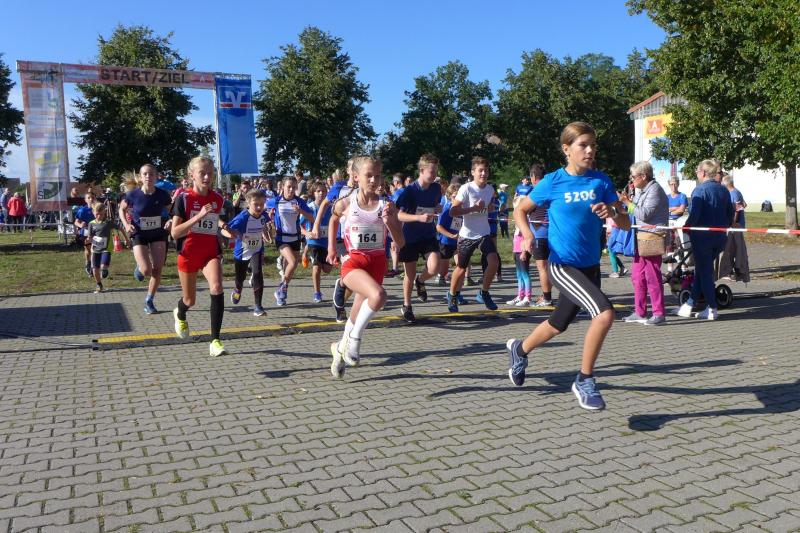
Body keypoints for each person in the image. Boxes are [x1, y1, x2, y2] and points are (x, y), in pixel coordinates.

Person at [507, 121, 630, 410]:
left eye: (593, 145)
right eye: (582, 145)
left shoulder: (601, 181)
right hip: (562, 265)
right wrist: (527, 235)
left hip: (590, 267)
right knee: (604, 314)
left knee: (557, 324)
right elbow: (520, 210)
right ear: (566, 149)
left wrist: (613, 212)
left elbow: (625, 223)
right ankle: (585, 379)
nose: (589, 151)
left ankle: (519, 350)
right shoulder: (553, 181)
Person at [326, 155, 404, 378]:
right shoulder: (346, 203)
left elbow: (401, 242)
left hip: (377, 264)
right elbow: (333, 220)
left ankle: (339, 348)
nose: (373, 180)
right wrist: (331, 248)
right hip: (353, 263)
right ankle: (354, 341)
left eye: (377, 176)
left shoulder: (387, 205)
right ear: (356, 177)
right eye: (368, 175)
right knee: (379, 295)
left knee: (356, 313)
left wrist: (389, 222)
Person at [170, 156, 233, 357]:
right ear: (192, 175)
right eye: (202, 173)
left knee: (217, 287)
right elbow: (175, 233)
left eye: (210, 173)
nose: (207, 177)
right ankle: (180, 313)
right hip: (188, 254)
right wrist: (198, 217)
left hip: (209, 253)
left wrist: (226, 228)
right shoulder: (183, 199)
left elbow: (215, 222)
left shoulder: (218, 199)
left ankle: (215, 341)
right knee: (190, 300)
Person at [676, 159, 734, 321]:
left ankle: (712, 308)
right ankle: (689, 304)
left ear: (702, 172)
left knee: (705, 272)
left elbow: (695, 214)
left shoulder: (699, 190)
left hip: (702, 238)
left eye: (697, 171)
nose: (696, 174)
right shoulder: (723, 190)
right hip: (720, 237)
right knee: (702, 270)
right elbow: (730, 214)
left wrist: (686, 227)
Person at [446, 156, 499, 312]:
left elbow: (489, 207)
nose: (483, 174)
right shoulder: (466, 188)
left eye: (486, 171)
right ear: (473, 172)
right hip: (467, 234)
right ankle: (452, 295)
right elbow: (453, 211)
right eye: (480, 171)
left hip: (484, 233)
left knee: (494, 262)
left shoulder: (490, 190)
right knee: (461, 268)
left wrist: (491, 208)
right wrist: (473, 209)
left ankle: (484, 292)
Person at [118, 164, 173, 314]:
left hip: (158, 232)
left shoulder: (163, 195)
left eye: (151, 174)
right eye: (145, 174)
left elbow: (172, 211)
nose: (148, 176)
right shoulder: (132, 195)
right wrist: (126, 224)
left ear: (156, 177)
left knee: (158, 268)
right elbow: (121, 209)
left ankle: (149, 300)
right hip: (139, 233)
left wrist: (170, 220)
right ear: (141, 177)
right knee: (146, 270)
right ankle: (139, 268)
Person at [395, 154, 443, 323]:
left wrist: (437, 208)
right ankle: (407, 306)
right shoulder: (409, 191)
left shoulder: (436, 188)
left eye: (436, 171)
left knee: (434, 267)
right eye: (432, 171)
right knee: (409, 273)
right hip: (410, 237)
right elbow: (398, 215)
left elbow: (435, 205)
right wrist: (418, 217)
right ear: (422, 171)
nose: (434, 174)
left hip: (428, 235)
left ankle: (420, 281)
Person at [622, 161, 669, 326]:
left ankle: (659, 313)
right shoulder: (642, 191)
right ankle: (640, 311)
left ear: (643, 176)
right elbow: (634, 211)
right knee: (637, 277)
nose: (631, 179)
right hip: (641, 238)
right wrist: (626, 203)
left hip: (652, 239)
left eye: (633, 176)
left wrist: (628, 203)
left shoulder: (654, 190)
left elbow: (644, 214)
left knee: (652, 277)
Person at [224, 188, 271, 316]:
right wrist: (231, 234)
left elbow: (264, 226)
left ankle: (258, 307)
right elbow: (225, 230)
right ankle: (238, 289)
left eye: (262, 204)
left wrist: (266, 233)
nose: (259, 207)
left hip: (257, 249)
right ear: (248, 203)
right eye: (256, 204)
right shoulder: (242, 218)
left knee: (257, 274)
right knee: (240, 278)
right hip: (242, 252)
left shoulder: (264, 215)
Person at [268, 176, 314, 306]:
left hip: (295, 238)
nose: (291, 190)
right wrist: (268, 216)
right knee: (293, 262)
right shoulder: (276, 201)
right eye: (289, 187)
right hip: (281, 238)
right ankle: (283, 287)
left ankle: (281, 291)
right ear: (283, 187)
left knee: (290, 266)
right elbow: (261, 207)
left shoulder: (299, 201)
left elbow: (312, 218)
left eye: (294, 187)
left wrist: (301, 211)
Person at [301, 182, 333, 302]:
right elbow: (299, 225)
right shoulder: (309, 208)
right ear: (313, 193)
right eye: (318, 191)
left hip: (327, 242)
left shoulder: (330, 207)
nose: (321, 193)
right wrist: (307, 233)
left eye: (323, 191)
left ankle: (305, 255)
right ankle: (317, 293)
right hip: (314, 242)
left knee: (327, 269)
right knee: (317, 267)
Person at [528, 164, 554, 306]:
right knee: (554, 267)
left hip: (540, 234)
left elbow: (523, 209)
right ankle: (548, 295)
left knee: (542, 268)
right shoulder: (551, 189)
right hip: (553, 233)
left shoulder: (536, 191)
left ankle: (547, 298)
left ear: (533, 177)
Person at [87, 203, 128, 293]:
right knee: (94, 269)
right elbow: (90, 236)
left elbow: (120, 228)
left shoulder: (108, 223)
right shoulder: (91, 224)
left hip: (106, 249)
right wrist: (88, 240)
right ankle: (99, 284)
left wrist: (126, 239)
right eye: (97, 214)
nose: (99, 216)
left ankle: (104, 270)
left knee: (103, 267)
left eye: (101, 214)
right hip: (95, 249)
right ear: (93, 213)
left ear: (104, 213)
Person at [718, 174, 750, 282]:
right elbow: (744, 204)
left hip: (735, 225)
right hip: (736, 225)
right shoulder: (737, 192)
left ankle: (736, 269)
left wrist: (732, 223)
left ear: (727, 183)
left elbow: (737, 211)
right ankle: (734, 269)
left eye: (723, 183)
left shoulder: (734, 193)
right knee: (734, 248)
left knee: (733, 248)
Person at [74, 190, 97, 276]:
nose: (91, 199)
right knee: (88, 250)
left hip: (97, 232)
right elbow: (76, 222)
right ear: (85, 200)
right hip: (86, 232)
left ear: (95, 198)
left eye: (93, 197)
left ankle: (95, 267)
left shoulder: (99, 208)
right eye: (89, 198)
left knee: (96, 250)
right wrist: (81, 225)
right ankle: (88, 263)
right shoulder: (82, 210)